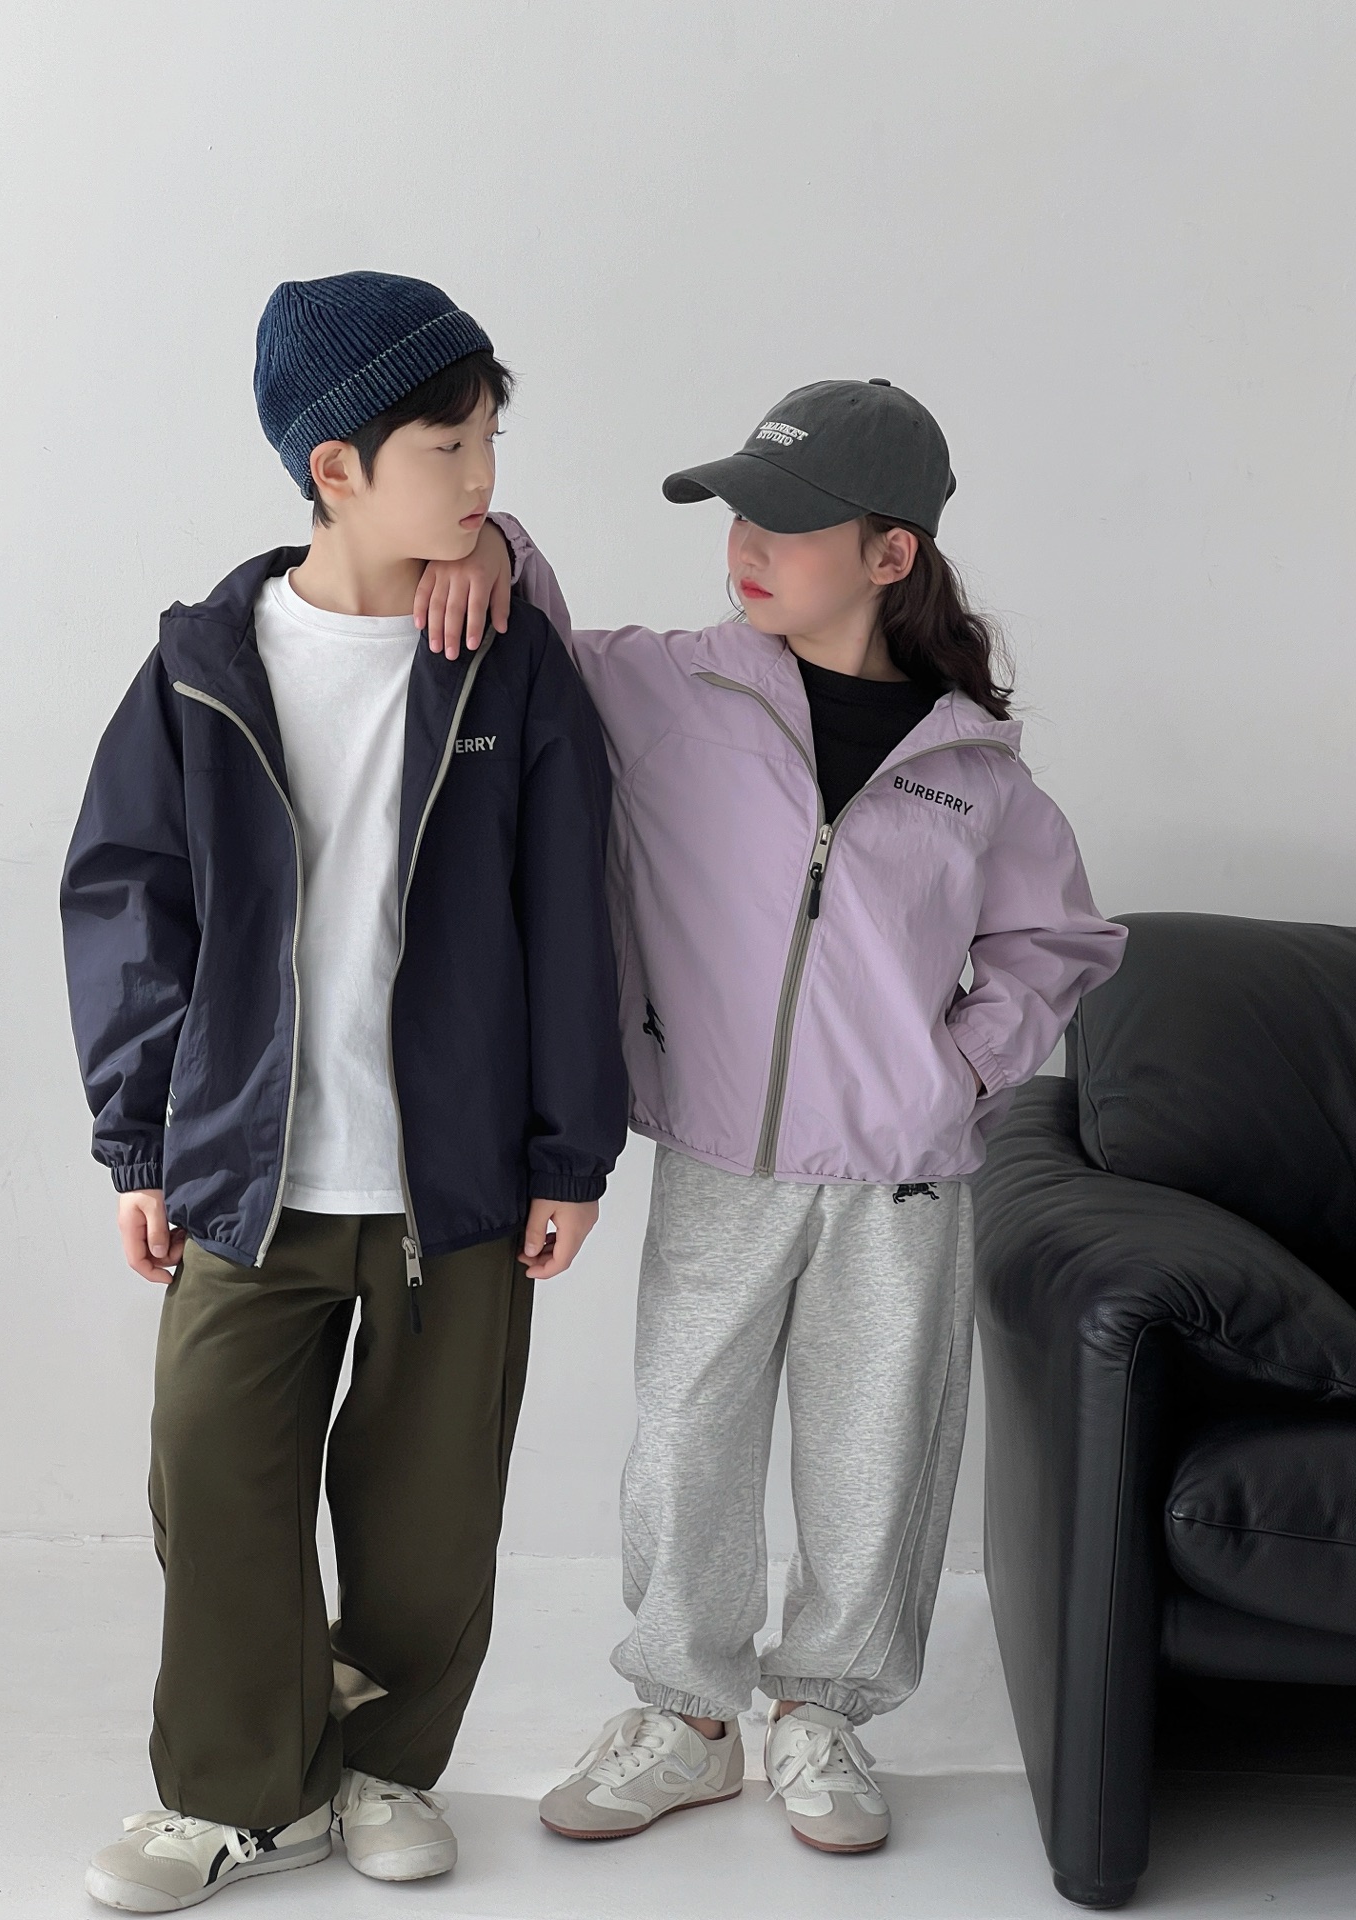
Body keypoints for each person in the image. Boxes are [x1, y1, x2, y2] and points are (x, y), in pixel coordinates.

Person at [414, 377, 1127, 1856]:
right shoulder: (672, 689)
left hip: (901, 1180)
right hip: (721, 1154)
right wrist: (490, 542)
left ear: (890, 553)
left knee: (875, 1458)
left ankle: (823, 1714)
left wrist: (963, 1072)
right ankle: (685, 1720)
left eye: (788, 523)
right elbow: (534, 631)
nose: (746, 544)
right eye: (737, 513)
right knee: (685, 1443)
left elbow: (1058, 939)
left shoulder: (972, 771)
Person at [60, 271, 626, 1909]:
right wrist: (138, 1142)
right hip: (253, 1173)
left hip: (455, 1178)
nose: (482, 479)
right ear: (335, 468)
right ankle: (238, 1790)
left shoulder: (511, 668)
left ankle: (383, 1770)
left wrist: (570, 1151)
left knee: (430, 1520)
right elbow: (128, 905)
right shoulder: (202, 664)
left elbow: (569, 914)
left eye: (492, 442)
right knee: (212, 1479)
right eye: (449, 449)